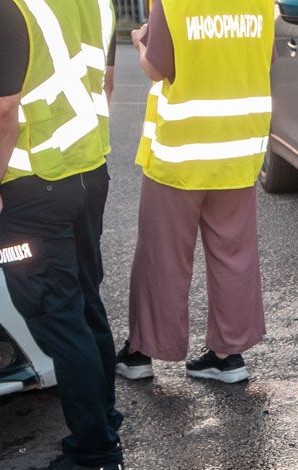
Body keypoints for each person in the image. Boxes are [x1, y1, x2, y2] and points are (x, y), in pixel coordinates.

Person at [0, 0, 124, 470]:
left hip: (28, 189)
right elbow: (106, 81)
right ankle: (102, 420)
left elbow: (0, 106)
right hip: (87, 172)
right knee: (84, 303)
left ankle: (96, 456)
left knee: (55, 315)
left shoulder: (5, 7)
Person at [116, 0, 274, 384]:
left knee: (163, 256)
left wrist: (139, 41)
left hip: (180, 154)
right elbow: (263, 61)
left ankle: (142, 353)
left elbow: (157, 69)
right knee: (234, 254)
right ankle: (228, 356)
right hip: (238, 147)